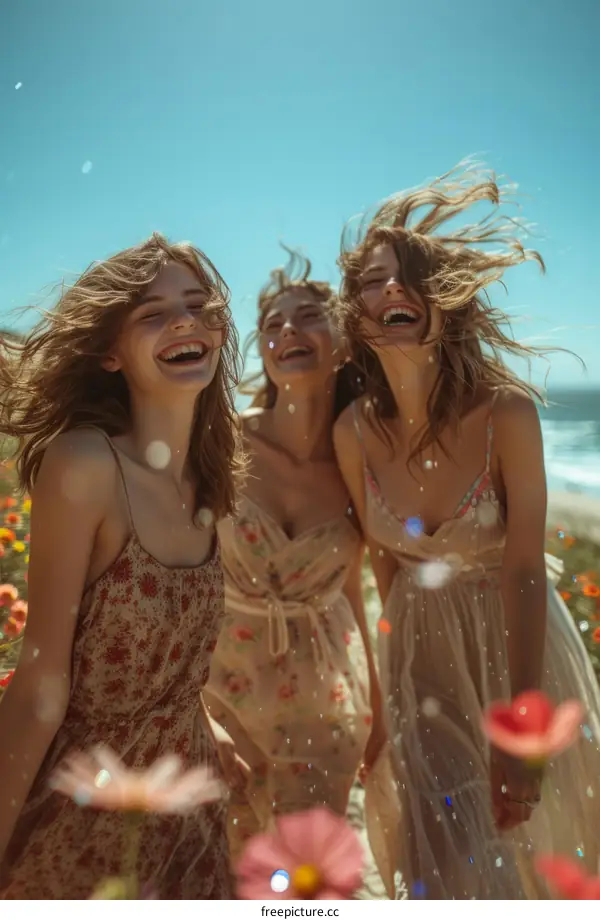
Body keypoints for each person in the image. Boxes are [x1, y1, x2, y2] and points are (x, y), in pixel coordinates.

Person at [332, 164, 600, 899]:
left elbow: (521, 570)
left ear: (443, 302)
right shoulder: (352, 432)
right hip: (421, 666)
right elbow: (385, 571)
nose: (392, 290)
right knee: (444, 858)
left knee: (535, 853)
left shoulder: (505, 413)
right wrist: (388, 701)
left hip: (518, 652)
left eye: (411, 278)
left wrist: (524, 728)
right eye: (374, 281)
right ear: (354, 313)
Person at [0, 233, 245, 898]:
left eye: (198, 304)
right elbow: (40, 685)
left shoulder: (207, 474)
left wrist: (204, 722)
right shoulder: (86, 464)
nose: (184, 321)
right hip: (85, 814)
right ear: (109, 352)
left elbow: (158, 652)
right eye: (152, 313)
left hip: (186, 811)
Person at [204, 248, 383, 861]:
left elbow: (354, 590)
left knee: (301, 876)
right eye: (273, 323)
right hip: (219, 695)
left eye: (309, 316)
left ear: (346, 344)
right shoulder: (220, 441)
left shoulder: (360, 459)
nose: (287, 330)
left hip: (325, 712)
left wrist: (379, 712)